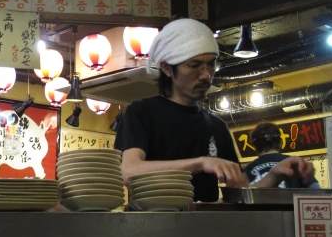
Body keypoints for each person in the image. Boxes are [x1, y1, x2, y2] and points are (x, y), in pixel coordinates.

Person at [115, 18, 314, 202]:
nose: (205, 75)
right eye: (194, 65)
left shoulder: (216, 126)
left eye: (210, 65)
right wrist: (201, 163)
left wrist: (275, 174)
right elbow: (129, 171)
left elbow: (241, 193)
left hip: (207, 230)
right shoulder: (141, 113)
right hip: (150, 229)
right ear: (167, 68)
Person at [243, 122, 321, 189]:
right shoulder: (296, 164)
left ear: (254, 145)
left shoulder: (246, 171)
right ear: (280, 142)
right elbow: (318, 193)